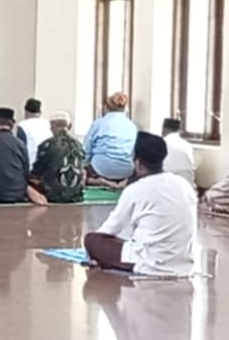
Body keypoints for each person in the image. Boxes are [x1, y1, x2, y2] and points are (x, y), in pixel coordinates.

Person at [83, 132, 197, 276]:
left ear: (137, 162)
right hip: (183, 263)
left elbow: (109, 229)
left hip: (150, 264)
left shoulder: (135, 189)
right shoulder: (183, 184)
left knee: (92, 240)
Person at [30, 111, 87, 203]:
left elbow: (36, 172)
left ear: (52, 125)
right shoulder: (79, 145)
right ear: (70, 126)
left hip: (52, 196)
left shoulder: (47, 145)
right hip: (76, 197)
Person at [84, 91, 139, 185]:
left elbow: (86, 150)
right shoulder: (132, 126)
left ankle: (98, 182)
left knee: (81, 175)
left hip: (100, 169)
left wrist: (84, 165)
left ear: (106, 108)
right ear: (125, 109)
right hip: (126, 171)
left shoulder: (99, 124)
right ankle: (120, 184)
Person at [161, 117, 197, 189]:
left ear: (164, 129)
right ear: (178, 130)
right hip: (188, 187)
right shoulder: (187, 145)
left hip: (167, 186)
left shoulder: (161, 143)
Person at [19, 97, 52, 166]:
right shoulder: (47, 124)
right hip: (46, 164)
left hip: (30, 164)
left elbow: (20, 148)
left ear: (26, 111)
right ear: (40, 112)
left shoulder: (23, 125)